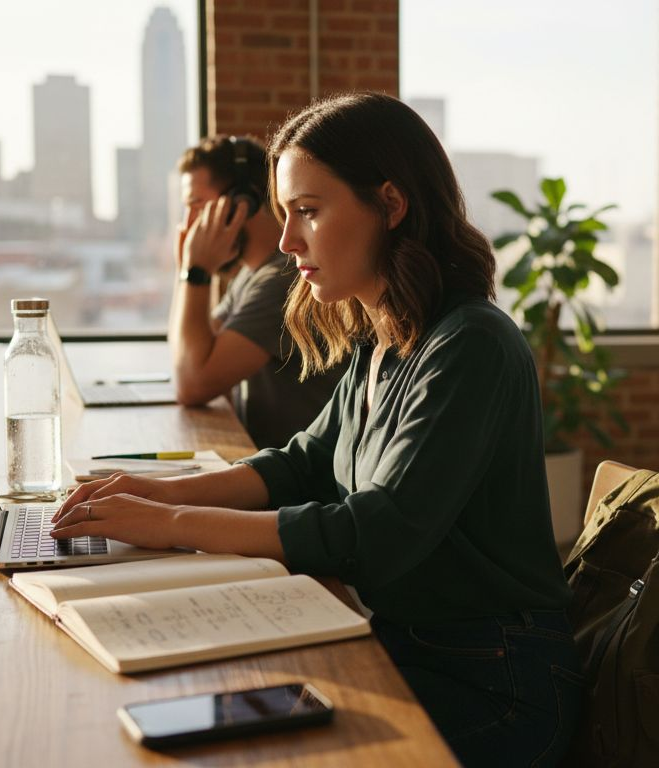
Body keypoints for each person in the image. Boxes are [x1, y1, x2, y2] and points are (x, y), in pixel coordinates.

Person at [53, 93, 583, 766]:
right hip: (408, 639)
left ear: (390, 205)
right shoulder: (383, 334)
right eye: (284, 214)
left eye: (307, 211)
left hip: (496, 680)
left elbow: (377, 534)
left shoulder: (471, 344)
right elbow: (304, 464)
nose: (285, 242)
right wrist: (153, 492)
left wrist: (173, 525)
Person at [168, 135, 342, 449]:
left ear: (241, 202)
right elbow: (189, 355)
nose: (188, 224)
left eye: (196, 206)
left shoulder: (284, 280)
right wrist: (187, 271)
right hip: (263, 465)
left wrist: (195, 272)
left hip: (295, 484)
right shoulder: (252, 275)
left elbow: (192, 384)